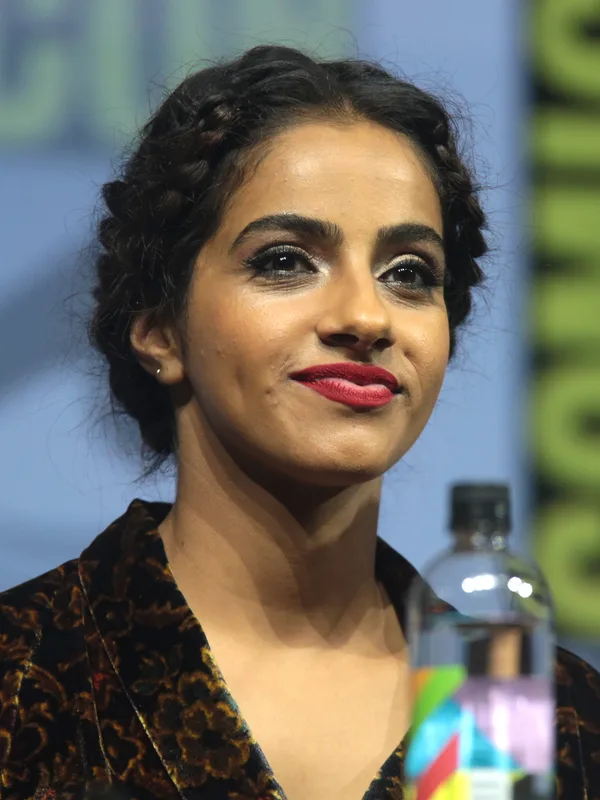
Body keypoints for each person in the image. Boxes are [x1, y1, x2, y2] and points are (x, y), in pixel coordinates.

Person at [0, 44, 598, 800]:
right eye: (285, 261)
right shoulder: (24, 670)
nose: (365, 316)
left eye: (409, 273)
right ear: (160, 331)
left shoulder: (541, 715)